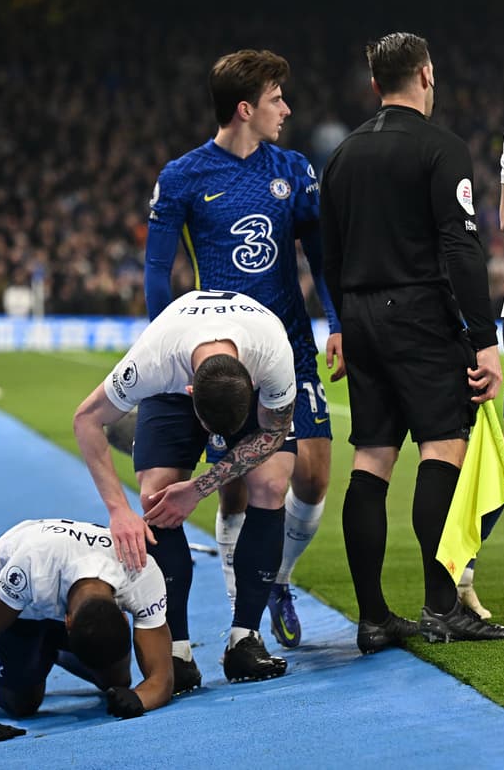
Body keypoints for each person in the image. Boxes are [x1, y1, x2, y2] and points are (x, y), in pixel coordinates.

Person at [319, 31, 504, 651]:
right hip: (420, 315)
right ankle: (440, 608)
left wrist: (343, 323)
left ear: (377, 84)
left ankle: (374, 617)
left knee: (373, 457)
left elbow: (329, 252)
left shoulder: (344, 154)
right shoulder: (442, 148)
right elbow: (460, 246)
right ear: (426, 75)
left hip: (361, 313)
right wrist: (485, 339)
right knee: (442, 450)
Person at [144, 49, 342, 652]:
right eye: (277, 97)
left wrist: (336, 323)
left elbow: (320, 254)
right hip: (221, 354)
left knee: (312, 476)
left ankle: (276, 576)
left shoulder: (294, 168)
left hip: (289, 346)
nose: (287, 107)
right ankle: (243, 602)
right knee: (242, 481)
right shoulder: (183, 176)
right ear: (245, 108)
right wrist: (169, 346)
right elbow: (157, 270)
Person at [72, 288, 297, 686]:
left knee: (272, 483)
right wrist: (119, 511)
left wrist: (199, 488)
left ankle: (246, 638)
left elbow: (272, 433)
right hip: (170, 387)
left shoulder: (273, 351)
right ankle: (176, 650)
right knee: (156, 493)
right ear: (193, 394)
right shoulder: (152, 361)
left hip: (244, 379)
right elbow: (86, 419)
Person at [0, 519, 173, 744]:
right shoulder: (31, 564)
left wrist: (139, 699)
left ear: (123, 613)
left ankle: (48, 652)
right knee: (23, 705)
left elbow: (162, 677)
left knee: (116, 683)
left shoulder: (142, 572)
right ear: (66, 623)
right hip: (18, 607)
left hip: (65, 588)